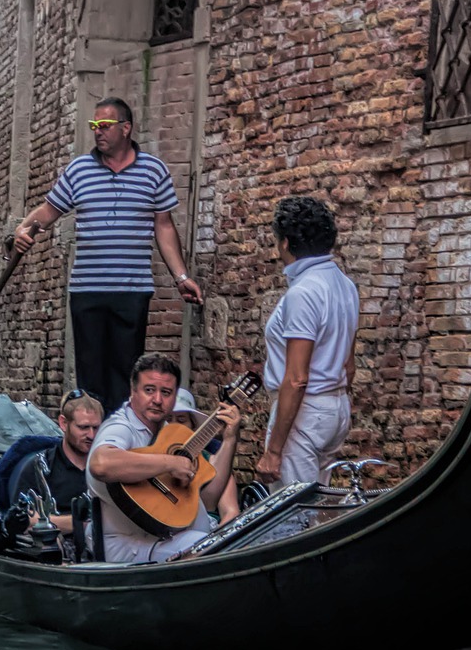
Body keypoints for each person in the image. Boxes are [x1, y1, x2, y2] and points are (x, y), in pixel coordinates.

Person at [12, 97, 203, 413]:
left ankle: (120, 441)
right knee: (90, 378)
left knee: (126, 374)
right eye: (94, 126)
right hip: (87, 290)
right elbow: (48, 212)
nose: (98, 132)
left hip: (132, 290)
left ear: (125, 128)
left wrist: (181, 277)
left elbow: (165, 227)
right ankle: (92, 446)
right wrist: (22, 228)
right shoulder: (79, 170)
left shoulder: (154, 171)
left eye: (104, 125)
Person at [87, 353, 240, 563]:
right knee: (209, 548)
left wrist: (229, 440)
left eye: (166, 392)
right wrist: (171, 463)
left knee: (231, 543)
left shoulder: (170, 435)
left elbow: (209, 500)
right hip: (127, 544)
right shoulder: (122, 427)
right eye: (149, 390)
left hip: (169, 536)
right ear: (133, 391)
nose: (157, 400)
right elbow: (101, 464)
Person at [254, 196, 359, 491]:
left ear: (285, 243)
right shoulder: (344, 284)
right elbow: (349, 366)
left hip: (305, 412)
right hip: (335, 408)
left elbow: (297, 378)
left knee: (292, 514)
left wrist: (274, 451)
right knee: (318, 506)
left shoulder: (304, 292)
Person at [4, 391, 104, 536]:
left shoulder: (108, 467)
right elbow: (22, 522)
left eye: (96, 428)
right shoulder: (38, 468)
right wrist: (79, 524)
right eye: (83, 427)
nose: (91, 435)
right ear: (64, 423)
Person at [168, 388, 240, 525]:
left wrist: (214, 542)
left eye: (181, 420)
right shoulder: (150, 455)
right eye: (168, 419)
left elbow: (231, 512)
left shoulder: (213, 461)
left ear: (193, 427)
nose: (174, 425)